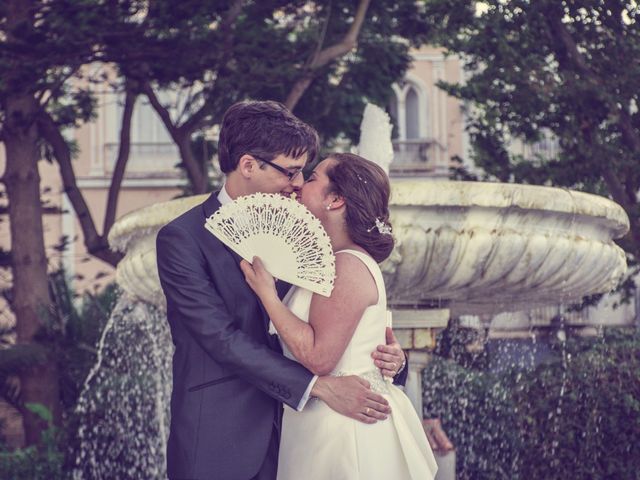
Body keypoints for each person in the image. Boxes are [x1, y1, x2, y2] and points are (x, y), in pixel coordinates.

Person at [156, 101, 407, 480]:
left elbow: (338, 317)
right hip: (220, 437)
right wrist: (317, 387)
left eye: (304, 172)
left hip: (302, 437)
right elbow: (221, 339)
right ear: (248, 165)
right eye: (290, 171)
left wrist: (387, 358)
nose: (297, 183)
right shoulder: (183, 239)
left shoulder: (312, 235)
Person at [241, 153, 439, 480]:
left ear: (335, 200)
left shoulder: (347, 265)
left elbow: (320, 358)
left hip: (343, 430)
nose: (301, 183)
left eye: (314, 176)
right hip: (321, 418)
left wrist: (267, 295)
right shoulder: (329, 262)